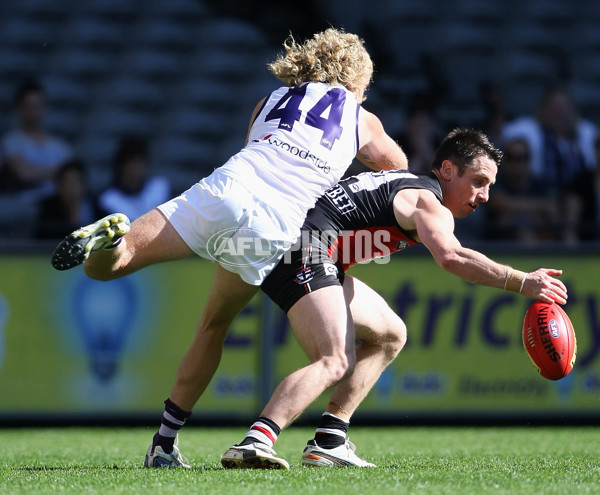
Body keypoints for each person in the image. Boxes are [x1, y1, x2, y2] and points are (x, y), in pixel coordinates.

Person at [49, 27, 408, 468]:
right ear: (356, 79)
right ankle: (271, 438)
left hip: (226, 186)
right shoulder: (361, 116)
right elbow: (396, 172)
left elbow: (259, 148)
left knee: (112, 268)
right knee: (307, 349)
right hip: (278, 221)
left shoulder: (271, 100)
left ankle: (164, 442)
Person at [218, 128, 567, 469]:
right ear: (447, 170)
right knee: (334, 360)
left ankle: (329, 441)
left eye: (490, 185)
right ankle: (256, 440)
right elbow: (452, 257)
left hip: (297, 249)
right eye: (478, 181)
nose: (485, 195)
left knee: (390, 334)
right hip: (304, 253)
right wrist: (522, 281)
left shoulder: (409, 186)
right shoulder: (428, 202)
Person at [501, 86, 598, 243]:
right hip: (540, 192)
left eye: (563, 107)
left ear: (572, 110)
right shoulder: (527, 130)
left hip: (579, 196)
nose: (559, 113)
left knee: (574, 200)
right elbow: (502, 136)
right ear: (543, 109)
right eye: (554, 107)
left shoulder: (587, 133)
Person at [0, 78, 72, 198]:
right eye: (29, 106)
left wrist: (38, 171)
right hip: (26, 205)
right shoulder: (11, 141)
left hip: (56, 203)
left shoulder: (59, 146)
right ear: (19, 109)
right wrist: (57, 172)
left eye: (37, 106)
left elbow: (71, 174)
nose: (34, 112)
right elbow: (24, 174)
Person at [484, 137, 559, 244]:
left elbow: (552, 208)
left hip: (538, 242)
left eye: (522, 157)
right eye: (511, 157)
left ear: (528, 159)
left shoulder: (539, 184)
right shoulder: (495, 181)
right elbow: (500, 204)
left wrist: (512, 213)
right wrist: (538, 210)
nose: (517, 163)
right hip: (500, 246)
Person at [96, 136, 172, 221]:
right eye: (132, 163)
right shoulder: (108, 200)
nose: (136, 169)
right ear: (121, 166)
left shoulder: (159, 187)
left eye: (140, 163)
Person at [34, 158, 99, 240]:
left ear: (84, 184)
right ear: (59, 185)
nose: (71, 187)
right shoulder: (48, 209)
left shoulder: (97, 206)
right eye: (67, 182)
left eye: (75, 182)